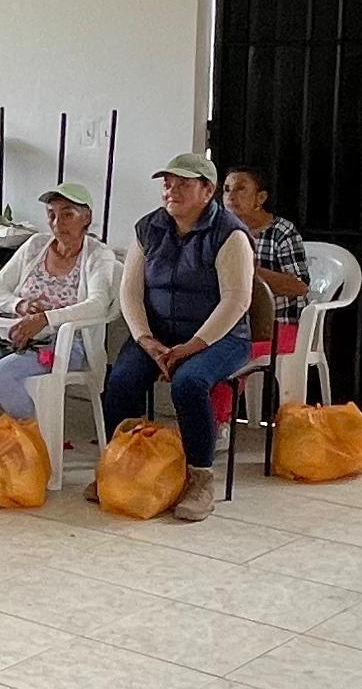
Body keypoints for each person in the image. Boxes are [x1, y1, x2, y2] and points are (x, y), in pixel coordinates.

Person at [102, 154, 259, 523]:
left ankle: (200, 479)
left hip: (221, 338)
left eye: (183, 184)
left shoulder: (230, 234)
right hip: (158, 337)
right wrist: (144, 339)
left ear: (207, 191)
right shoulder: (148, 228)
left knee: (189, 384)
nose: (171, 191)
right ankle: (124, 465)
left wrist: (193, 346)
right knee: (121, 380)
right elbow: (130, 293)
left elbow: (237, 301)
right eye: (167, 184)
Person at [0, 184, 112, 424]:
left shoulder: (98, 255)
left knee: (5, 372)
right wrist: (19, 305)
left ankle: (31, 438)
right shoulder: (36, 245)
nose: (57, 223)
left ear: (87, 218)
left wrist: (44, 319)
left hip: (64, 344)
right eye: (51, 214)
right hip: (14, 335)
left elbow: (98, 304)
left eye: (67, 214)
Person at [220, 166, 311, 391]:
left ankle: (220, 414)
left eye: (240, 189)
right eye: (227, 189)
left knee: (227, 360)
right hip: (233, 325)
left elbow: (299, 287)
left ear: (260, 198)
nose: (231, 196)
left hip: (280, 326)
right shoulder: (221, 231)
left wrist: (247, 270)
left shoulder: (282, 232)